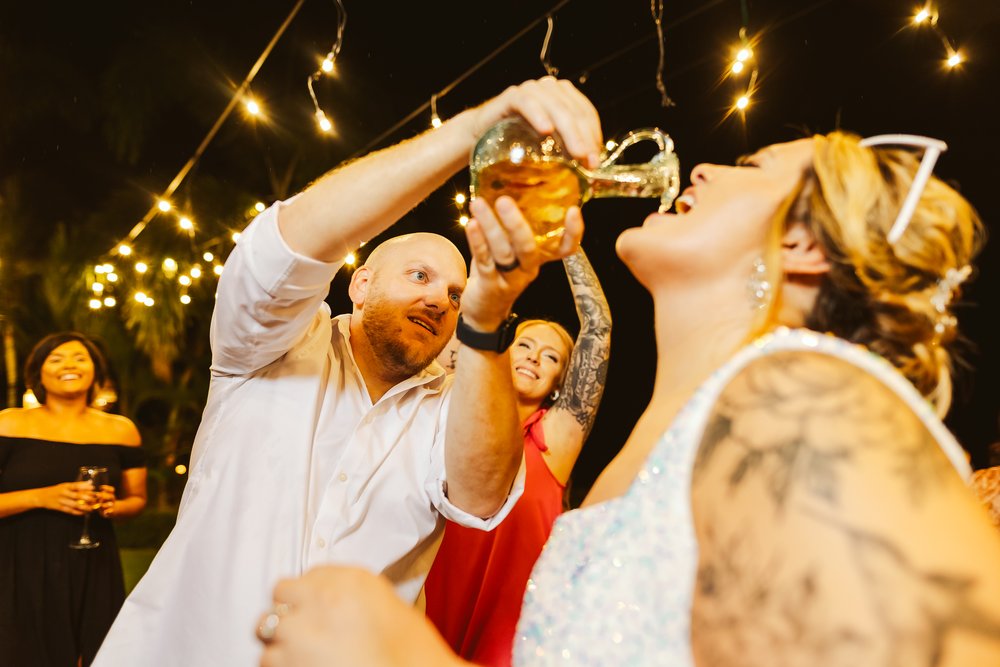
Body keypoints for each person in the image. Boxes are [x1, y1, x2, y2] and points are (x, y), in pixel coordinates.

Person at [256, 122, 1000, 666]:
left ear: (803, 246)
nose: (703, 167)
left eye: (752, 164)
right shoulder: (669, 440)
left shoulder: (802, 395)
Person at [93, 77, 604, 666]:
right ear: (359, 284)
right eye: (419, 276)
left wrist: (486, 315)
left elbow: (482, 495)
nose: (441, 298)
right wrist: (471, 132)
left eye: (456, 293)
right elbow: (291, 243)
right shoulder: (268, 345)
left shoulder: (450, 411)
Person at [424, 248, 611, 667]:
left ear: (561, 383)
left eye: (551, 357)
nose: (533, 356)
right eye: (524, 344)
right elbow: (470, 315)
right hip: (433, 588)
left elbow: (598, 327)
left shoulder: (558, 436)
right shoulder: (455, 408)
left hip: (511, 615)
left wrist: (570, 247)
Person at [0, 331, 146, 667]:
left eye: (80, 358)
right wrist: (43, 497)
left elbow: (136, 500)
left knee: (97, 654)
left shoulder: (121, 430)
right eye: (57, 358)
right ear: (37, 372)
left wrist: (113, 506)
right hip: (19, 565)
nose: (70, 365)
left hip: (92, 563)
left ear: (95, 370)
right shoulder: (8, 424)